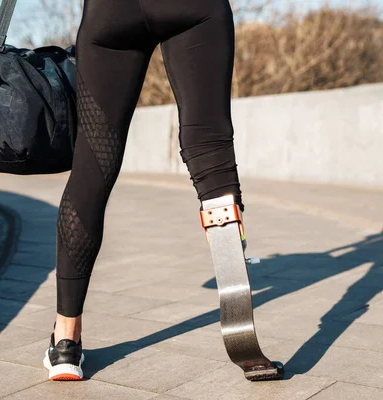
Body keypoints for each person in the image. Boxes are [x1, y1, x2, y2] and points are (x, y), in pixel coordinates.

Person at [43, 0, 242, 381]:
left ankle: (66, 341)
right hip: (193, 8)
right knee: (209, 145)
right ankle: (238, 298)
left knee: (92, 168)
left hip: (110, 13)